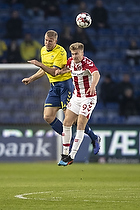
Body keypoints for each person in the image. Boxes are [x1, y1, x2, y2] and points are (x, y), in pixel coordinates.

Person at [22, 30, 100, 155]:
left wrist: (39, 64)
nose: (47, 43)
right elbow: (45, 70)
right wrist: (31, 78)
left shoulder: (60, 52)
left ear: (55, 41)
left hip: (65, 86)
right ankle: (72, 140)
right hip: (54, 87)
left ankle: (93, 137)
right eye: (46, 40)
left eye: (50, 41)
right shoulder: (43, 50)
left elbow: (53, 71)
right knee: (48, 116)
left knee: (71, 119)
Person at [56, 42, 100, 166]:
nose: (74, 56)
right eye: (73, 54)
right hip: (76, 97)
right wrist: (61, 72)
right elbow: (67, 68)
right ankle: (65, 154)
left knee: (80, 124)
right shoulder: (70, 62)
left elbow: (96, 74)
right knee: (66, 122)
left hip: (88, 98)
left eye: (77, 54)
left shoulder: (88, 63)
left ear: (82, 53)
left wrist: (93, 86)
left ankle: (72, 156)